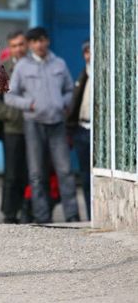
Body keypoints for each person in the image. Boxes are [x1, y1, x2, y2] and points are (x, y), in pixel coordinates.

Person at [5, 27, 80, 223]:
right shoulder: (22, 66)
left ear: (47, 41)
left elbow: (69, 90)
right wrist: (29, 104)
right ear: (30, 45)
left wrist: (62, 103)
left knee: (65, 171)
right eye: (35, 41)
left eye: (42, 40)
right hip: (33, 124)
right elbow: (10, 96)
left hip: (57, 124)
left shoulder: (59, 64)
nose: (39, 44)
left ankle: (72, 215)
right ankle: (42, 216)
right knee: (37, 173)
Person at [0, 30, 29, 224]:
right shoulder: (3, 70)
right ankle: (10, 213)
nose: (18, 49)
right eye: (14, 46)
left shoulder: (36, 67)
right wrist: (13, 115)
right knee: (12, 173)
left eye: (21, 44)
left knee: (34, 172)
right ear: (9, 48)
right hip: (13, 130)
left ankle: (31, 211)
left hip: (37, 127)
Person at [67, 39, 91, 220]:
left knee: (95, 174)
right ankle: (91, 214)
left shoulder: (107, 75)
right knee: (85, 176)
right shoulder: (83, 75)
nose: (89, 55)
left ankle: (95, 214)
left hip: (96, 131)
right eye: (86, 52)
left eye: (92, 51)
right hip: (81, 129)